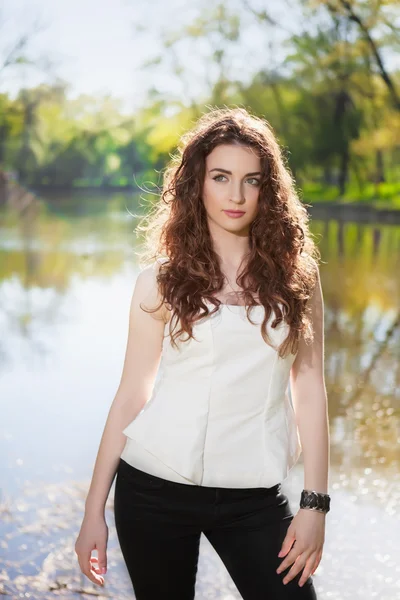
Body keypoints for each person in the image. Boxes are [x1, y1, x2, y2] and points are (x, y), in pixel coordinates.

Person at [75, 107, 330, 599]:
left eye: (251, 180)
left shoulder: (299, 279)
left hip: (254, 496)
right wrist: (93, 512)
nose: (236, 195)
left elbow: (311, 385)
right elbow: (132, 395)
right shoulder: (160, 282)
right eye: (221, 177)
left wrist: (314, 503)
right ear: (197, 184)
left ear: (269, 190)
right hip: (152, 488)